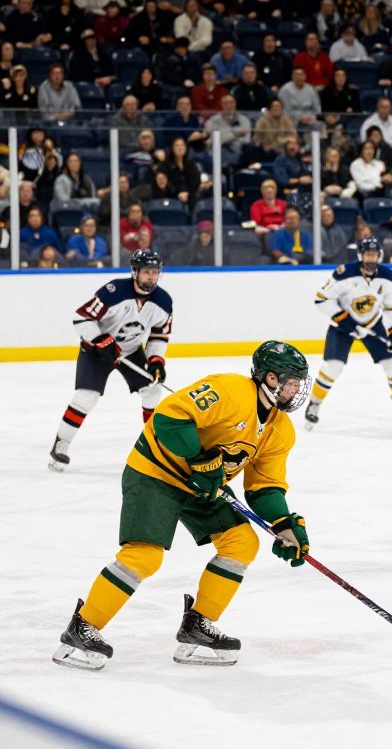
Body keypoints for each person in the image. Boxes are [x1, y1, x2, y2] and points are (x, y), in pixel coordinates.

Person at [53, 340, 312, 670]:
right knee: (144, 556)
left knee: (242, 543)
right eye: (292, 382)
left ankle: (197, 625)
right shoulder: (230, 390)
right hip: (156, 472)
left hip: (204, 487)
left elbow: (264, 487)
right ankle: (83, 625)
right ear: (271, 379)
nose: (296, 390)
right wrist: (201, 460)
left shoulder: (280, 430)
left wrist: (283, 525)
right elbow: (168, 418)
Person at [47, 250, 171, 472]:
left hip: (131, 351)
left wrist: (155, 360)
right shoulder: (113, 291)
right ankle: (61, 444)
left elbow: (159, 335)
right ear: (135, 272)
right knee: (86, 397)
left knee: (152, 390)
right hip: (96, 351)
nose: (151, 277)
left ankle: (156, 448)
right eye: (146, 272)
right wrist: (100, 339)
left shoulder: (163, 301)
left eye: (155, 272)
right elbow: (81, 318)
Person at [305, 237, 392, 430]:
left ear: (379, 255)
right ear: (360, 255)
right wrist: (346, 321)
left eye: (374, 254)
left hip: (373, 324)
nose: (370, 258)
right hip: (343, 325)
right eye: (367, 254)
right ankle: (314, 405)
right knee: (333, 366)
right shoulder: (344, 274)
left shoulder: (388, 276)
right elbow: (322, 299)